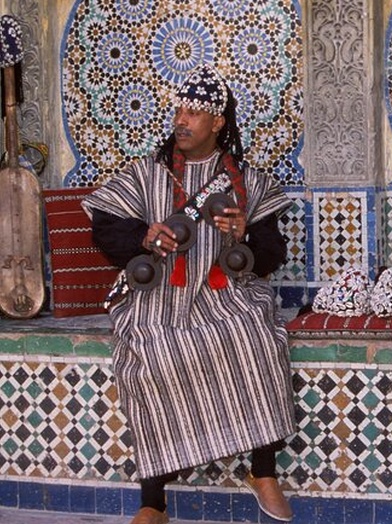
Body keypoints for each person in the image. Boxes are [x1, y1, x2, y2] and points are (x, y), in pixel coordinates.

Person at [82, 65, 296, 524]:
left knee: (253, 337)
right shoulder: (147, 175)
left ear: (217, 122)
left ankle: (263, 471)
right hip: (159, 301)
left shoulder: (247, 182)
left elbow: (272, 252)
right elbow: (104, 225)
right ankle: (153, 501)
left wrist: (244, 236)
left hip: (222, 298)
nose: (182, 118)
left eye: (194, 111)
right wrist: (144, 235)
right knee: (150, 354)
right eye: (180, 108)